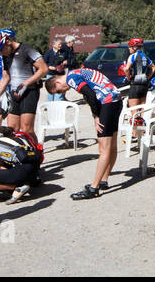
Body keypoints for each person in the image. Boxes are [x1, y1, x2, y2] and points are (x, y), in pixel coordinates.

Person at [45, 67, 122, 200]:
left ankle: (94, 188)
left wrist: (96, 117)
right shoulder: (77, 72)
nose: (63, 92)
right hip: (116, 99)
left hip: (106, 102)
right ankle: (103, 180)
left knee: (104, 148)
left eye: (59, 91)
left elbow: (90, 95)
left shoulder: (71, 78)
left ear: (57, 82)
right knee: (112, 145)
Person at [0, 29, 48, 136]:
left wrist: (25, 83)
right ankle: (19, 152)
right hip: (14, 92)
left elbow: (44, 69)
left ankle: (36, 152)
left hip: (29, 91)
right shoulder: (5, 56)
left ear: (8, 41)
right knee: (12, 129)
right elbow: (5, 78)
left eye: (1, 49)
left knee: (27, 130)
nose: (1, 53)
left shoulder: (27, 50)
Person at [0, 124, 43, 202]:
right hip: (35, 168)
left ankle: (15, 187)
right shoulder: (18, 138)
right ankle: (27, 181)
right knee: (3, 163)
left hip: (21, 171)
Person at [122, 38, 153, 125]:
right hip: (144, 83)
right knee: (142, 109)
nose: (129, 49)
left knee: (134, 110)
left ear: (135, 48)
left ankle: (135, 134)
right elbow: (153, 67)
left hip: (135, 83)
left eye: (130, 47)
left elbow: (127, 69)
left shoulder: (132, 56)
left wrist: (128, 77)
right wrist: (149, 77)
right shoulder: (145, 56)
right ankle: (142, 132)